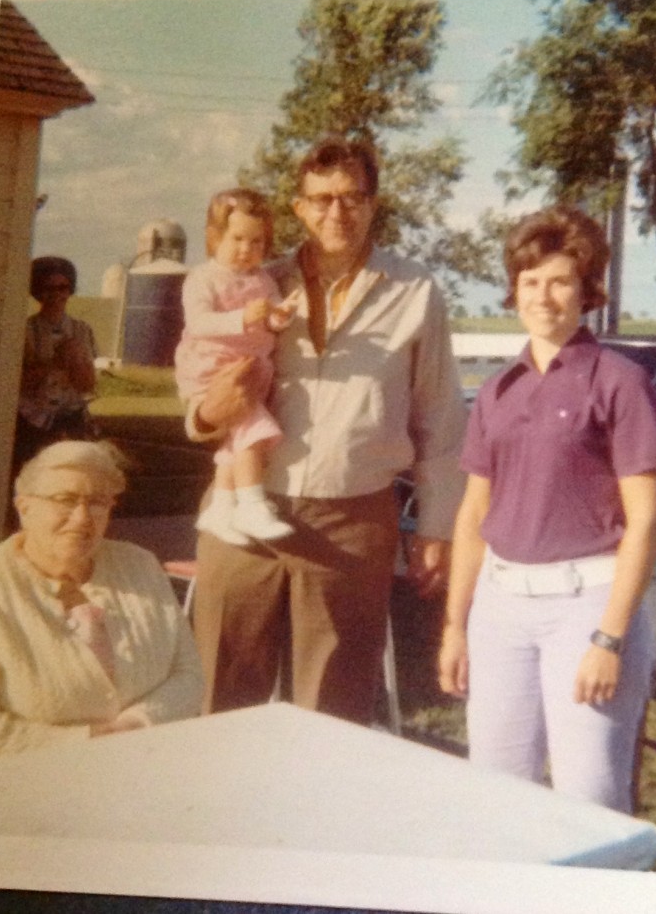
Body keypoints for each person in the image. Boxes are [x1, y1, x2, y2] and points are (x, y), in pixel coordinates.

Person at [187, 135, 467, 722]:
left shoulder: (414, 290)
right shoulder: (259, 282)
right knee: (218, 690)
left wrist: (437, 525)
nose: (335, 213)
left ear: (373, 203)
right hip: (246, 510)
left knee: (332, 709)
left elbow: (441, 416)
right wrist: (206, 414)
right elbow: (197, 368)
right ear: (298, 207)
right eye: (320, 200)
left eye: (351, 198)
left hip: (352, 521)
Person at [437, 205, 656, 812]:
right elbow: (472, 516)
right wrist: (456, 625)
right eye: (531, 281)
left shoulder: (620, 381)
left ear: (587, 291)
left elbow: (646, 520)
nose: (544, 296)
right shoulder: (496, 390)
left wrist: (610, 638)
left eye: (560, 280)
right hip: (501, 607)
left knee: (587, 799)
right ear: (515, 290)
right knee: (495, 796)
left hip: (586, 606)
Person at [0, 440, 202, 769]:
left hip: (140, 769)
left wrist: (136, 724)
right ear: (25, 509)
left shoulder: (140, 567)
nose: (82, 517)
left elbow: (188, 674)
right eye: (64, 500)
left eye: (97, 502)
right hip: (20, 789)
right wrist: (89, 743)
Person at [174, 188, 298, 545]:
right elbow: (198, 323)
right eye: (237, 238)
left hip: (249, 368)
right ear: (215, 238)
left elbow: (273, 319)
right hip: (214, 369)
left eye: (257, 242)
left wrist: (279, 316)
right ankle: (251, 504)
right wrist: (242, 317)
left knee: (235, 440)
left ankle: (220, 507)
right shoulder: (204, 278)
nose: (247, 249)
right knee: (254, 431)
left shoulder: (264, 280)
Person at [13, 256, 98, 472]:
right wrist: (54, 362)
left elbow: (87, 385)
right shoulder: (24, 331)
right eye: (47, 288)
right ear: (36, 291)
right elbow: (18, 385)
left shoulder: (82, 330)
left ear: (70, 290)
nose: (56, 294)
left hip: (72, 420)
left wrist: (77, 361)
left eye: (63, 287)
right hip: (33, 423)